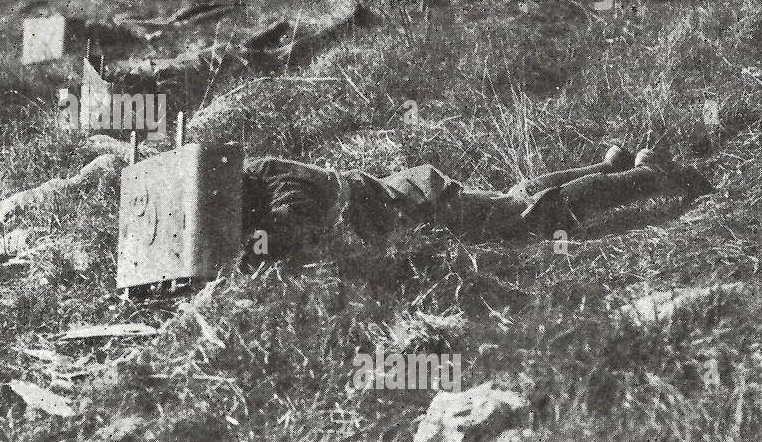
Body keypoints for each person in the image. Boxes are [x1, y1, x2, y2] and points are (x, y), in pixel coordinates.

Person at [242, 145, 712, 258]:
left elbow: (297, 223)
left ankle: (649, 176)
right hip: (412, 197)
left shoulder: (273, 185)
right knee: (515, 199)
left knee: (535, 216)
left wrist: (257, 249)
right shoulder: (260, 173)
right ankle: (611, 167)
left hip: (418, 208)